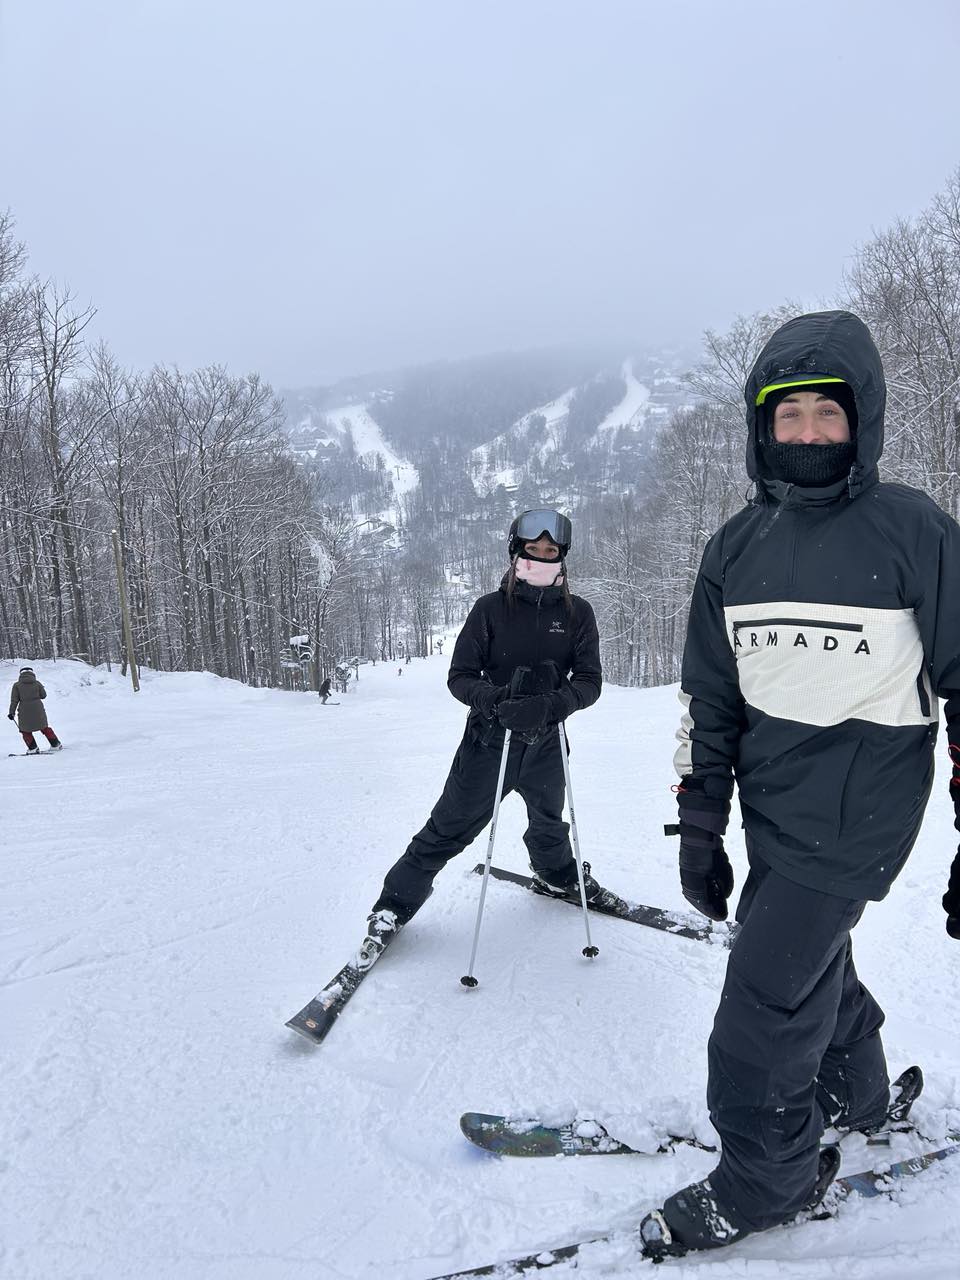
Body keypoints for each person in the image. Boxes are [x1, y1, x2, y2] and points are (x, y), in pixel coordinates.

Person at [641, 310, 960, 1257]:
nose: (810, 432)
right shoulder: (735, 547)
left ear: (863, 420)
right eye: (791, 415)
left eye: (830, 412)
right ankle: (854, 1097)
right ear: (762, 424)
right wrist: (702, 823)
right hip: (774, 809)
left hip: (862, 811)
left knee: (761, 1008)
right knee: (809, 959)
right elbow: (710, 697)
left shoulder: (914, 531)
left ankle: (765, 1183)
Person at [363, 509, 613, 957]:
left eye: (551, 551)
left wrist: (552, 705)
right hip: (489, 743)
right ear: (516, 553)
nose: (542, 557)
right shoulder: (490, 609)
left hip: (547, 743)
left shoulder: (578, 613)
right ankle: (392, 907)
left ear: (562, 556)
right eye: (533, 549)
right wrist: (496, 701)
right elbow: (460, 676)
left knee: (549, 822)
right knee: (447, 829)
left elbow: (589, 681)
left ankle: (556, 876)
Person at [8, 666, 62, 753]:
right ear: (32, 673)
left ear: (21, 674)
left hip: (24, 711)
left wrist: (11, 713)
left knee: (25, 730)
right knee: (44, 727)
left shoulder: (16, 685)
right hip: (38, 709)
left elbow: (14, 700)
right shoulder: (37, 683)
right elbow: (43, 696)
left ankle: (33, 748)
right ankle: (56, 744)